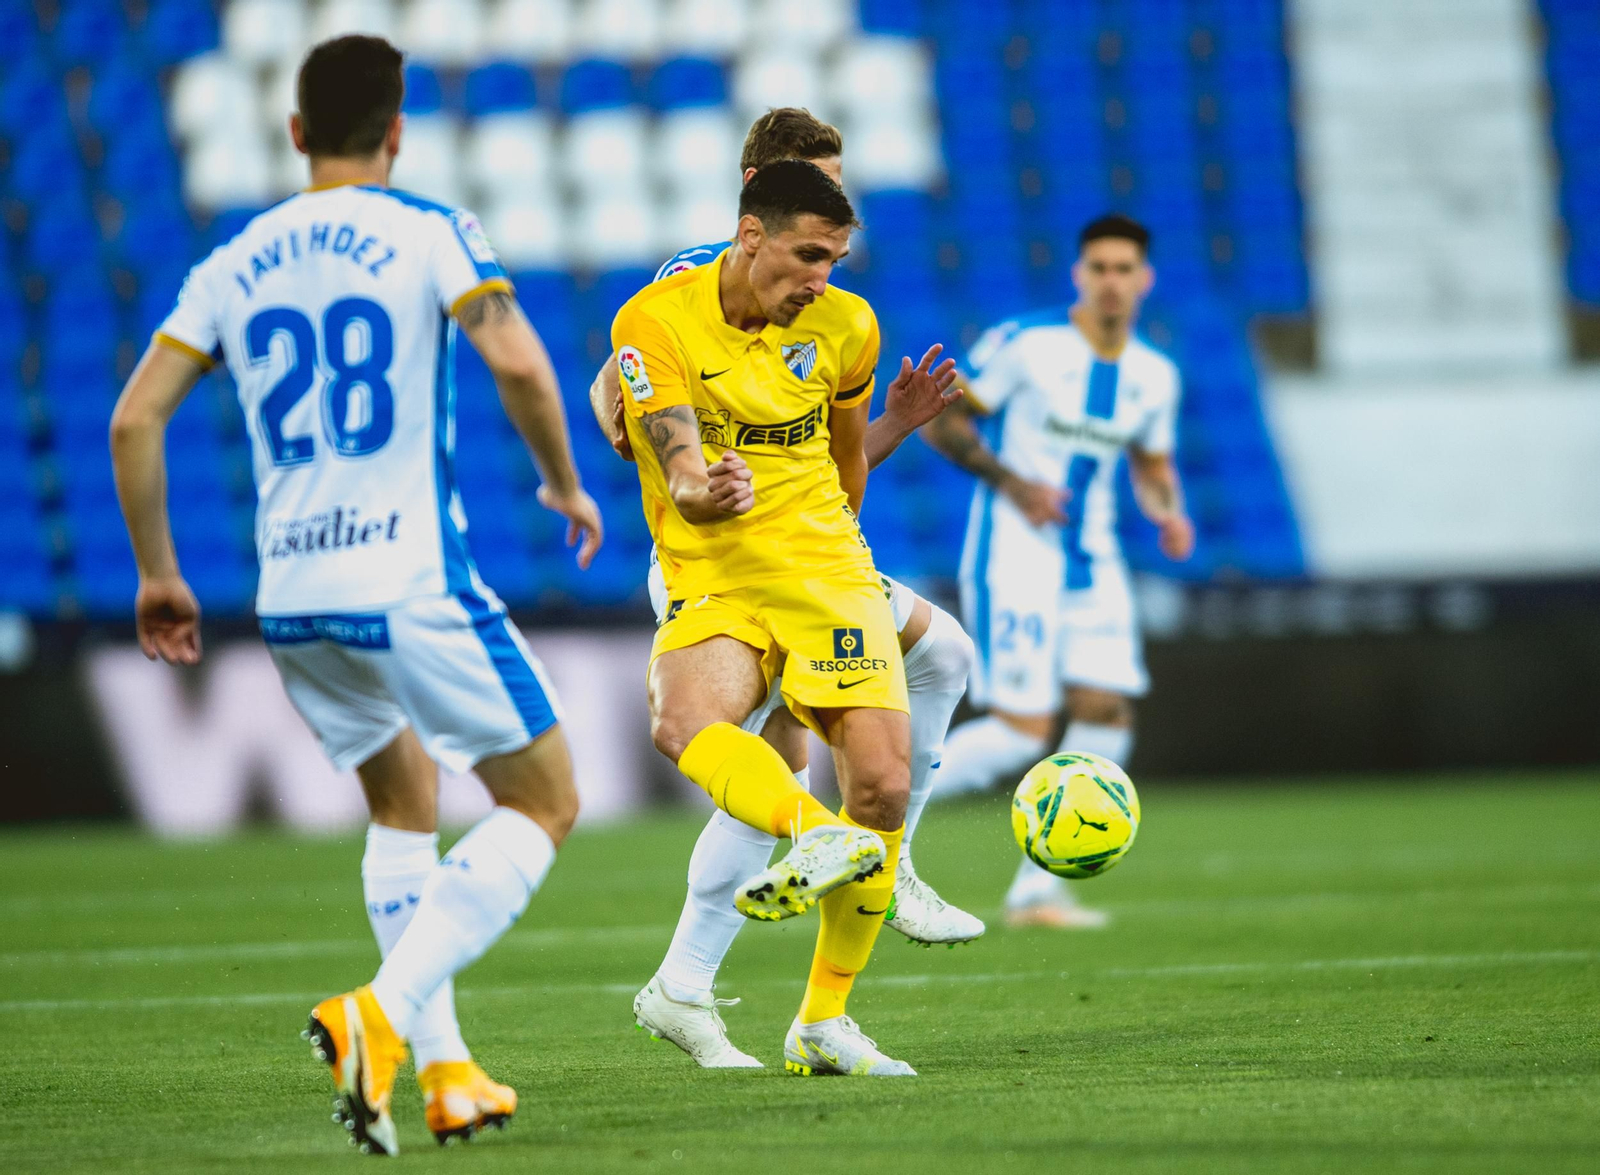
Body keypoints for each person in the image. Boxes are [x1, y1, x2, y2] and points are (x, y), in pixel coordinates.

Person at [108, 35, 603, 1155]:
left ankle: (449, 1073)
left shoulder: (233, 260)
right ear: (395, 133)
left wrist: (158, 570)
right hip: (407, 578)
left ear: (293, 134)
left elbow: (134, 417)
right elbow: (521, 361)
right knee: (545, 800)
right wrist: (565, 482)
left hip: (293, 599)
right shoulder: (427, 229)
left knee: (402, 806)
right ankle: (373, 1015)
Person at [591, 109, 980, 1069]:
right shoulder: (674, 293)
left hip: (819, 553)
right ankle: (836, 873)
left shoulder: (839, 320)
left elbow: (840, 468)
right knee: (763, 756)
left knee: (884, 741)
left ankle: (786, 949)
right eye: (817, 195)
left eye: (840, 230)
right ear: (754, 201)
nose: (831, 248)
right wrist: (686, 475)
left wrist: (895, 425)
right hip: (710, 552)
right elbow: (621, 403)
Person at [921, 213, 1195, 928]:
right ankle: (860, 813)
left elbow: (1153, 464)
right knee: (1022, 730)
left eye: (1123, 268)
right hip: (1013, 552)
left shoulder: (1154, 376)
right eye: (1098, 267)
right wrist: (1016, 484)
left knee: (1106, 710)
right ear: (1079, 274)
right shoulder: (1026, 343)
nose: (1111, 281)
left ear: (1145, 279)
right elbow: (943, 420)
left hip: (1094, 558)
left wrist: (1168, 512)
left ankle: (1035, 891)